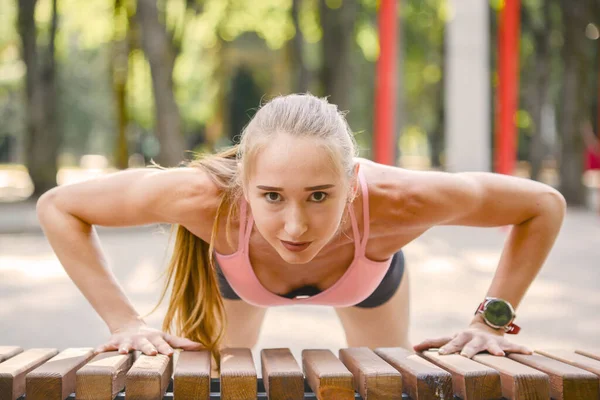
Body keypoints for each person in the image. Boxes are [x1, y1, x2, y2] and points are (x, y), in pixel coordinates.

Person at [36, 93, 565, 370]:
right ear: (243, 186)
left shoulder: (401, 201)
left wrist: (492, 322)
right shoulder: (201, 198)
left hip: (368, 276)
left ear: (352, 184)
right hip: (236, 276)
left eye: (319, 196)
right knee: (219, 390)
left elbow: (542, 205)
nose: (295, 227)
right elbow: (60, 208)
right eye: (271, 197)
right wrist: (123, 320)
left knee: (387, 387)